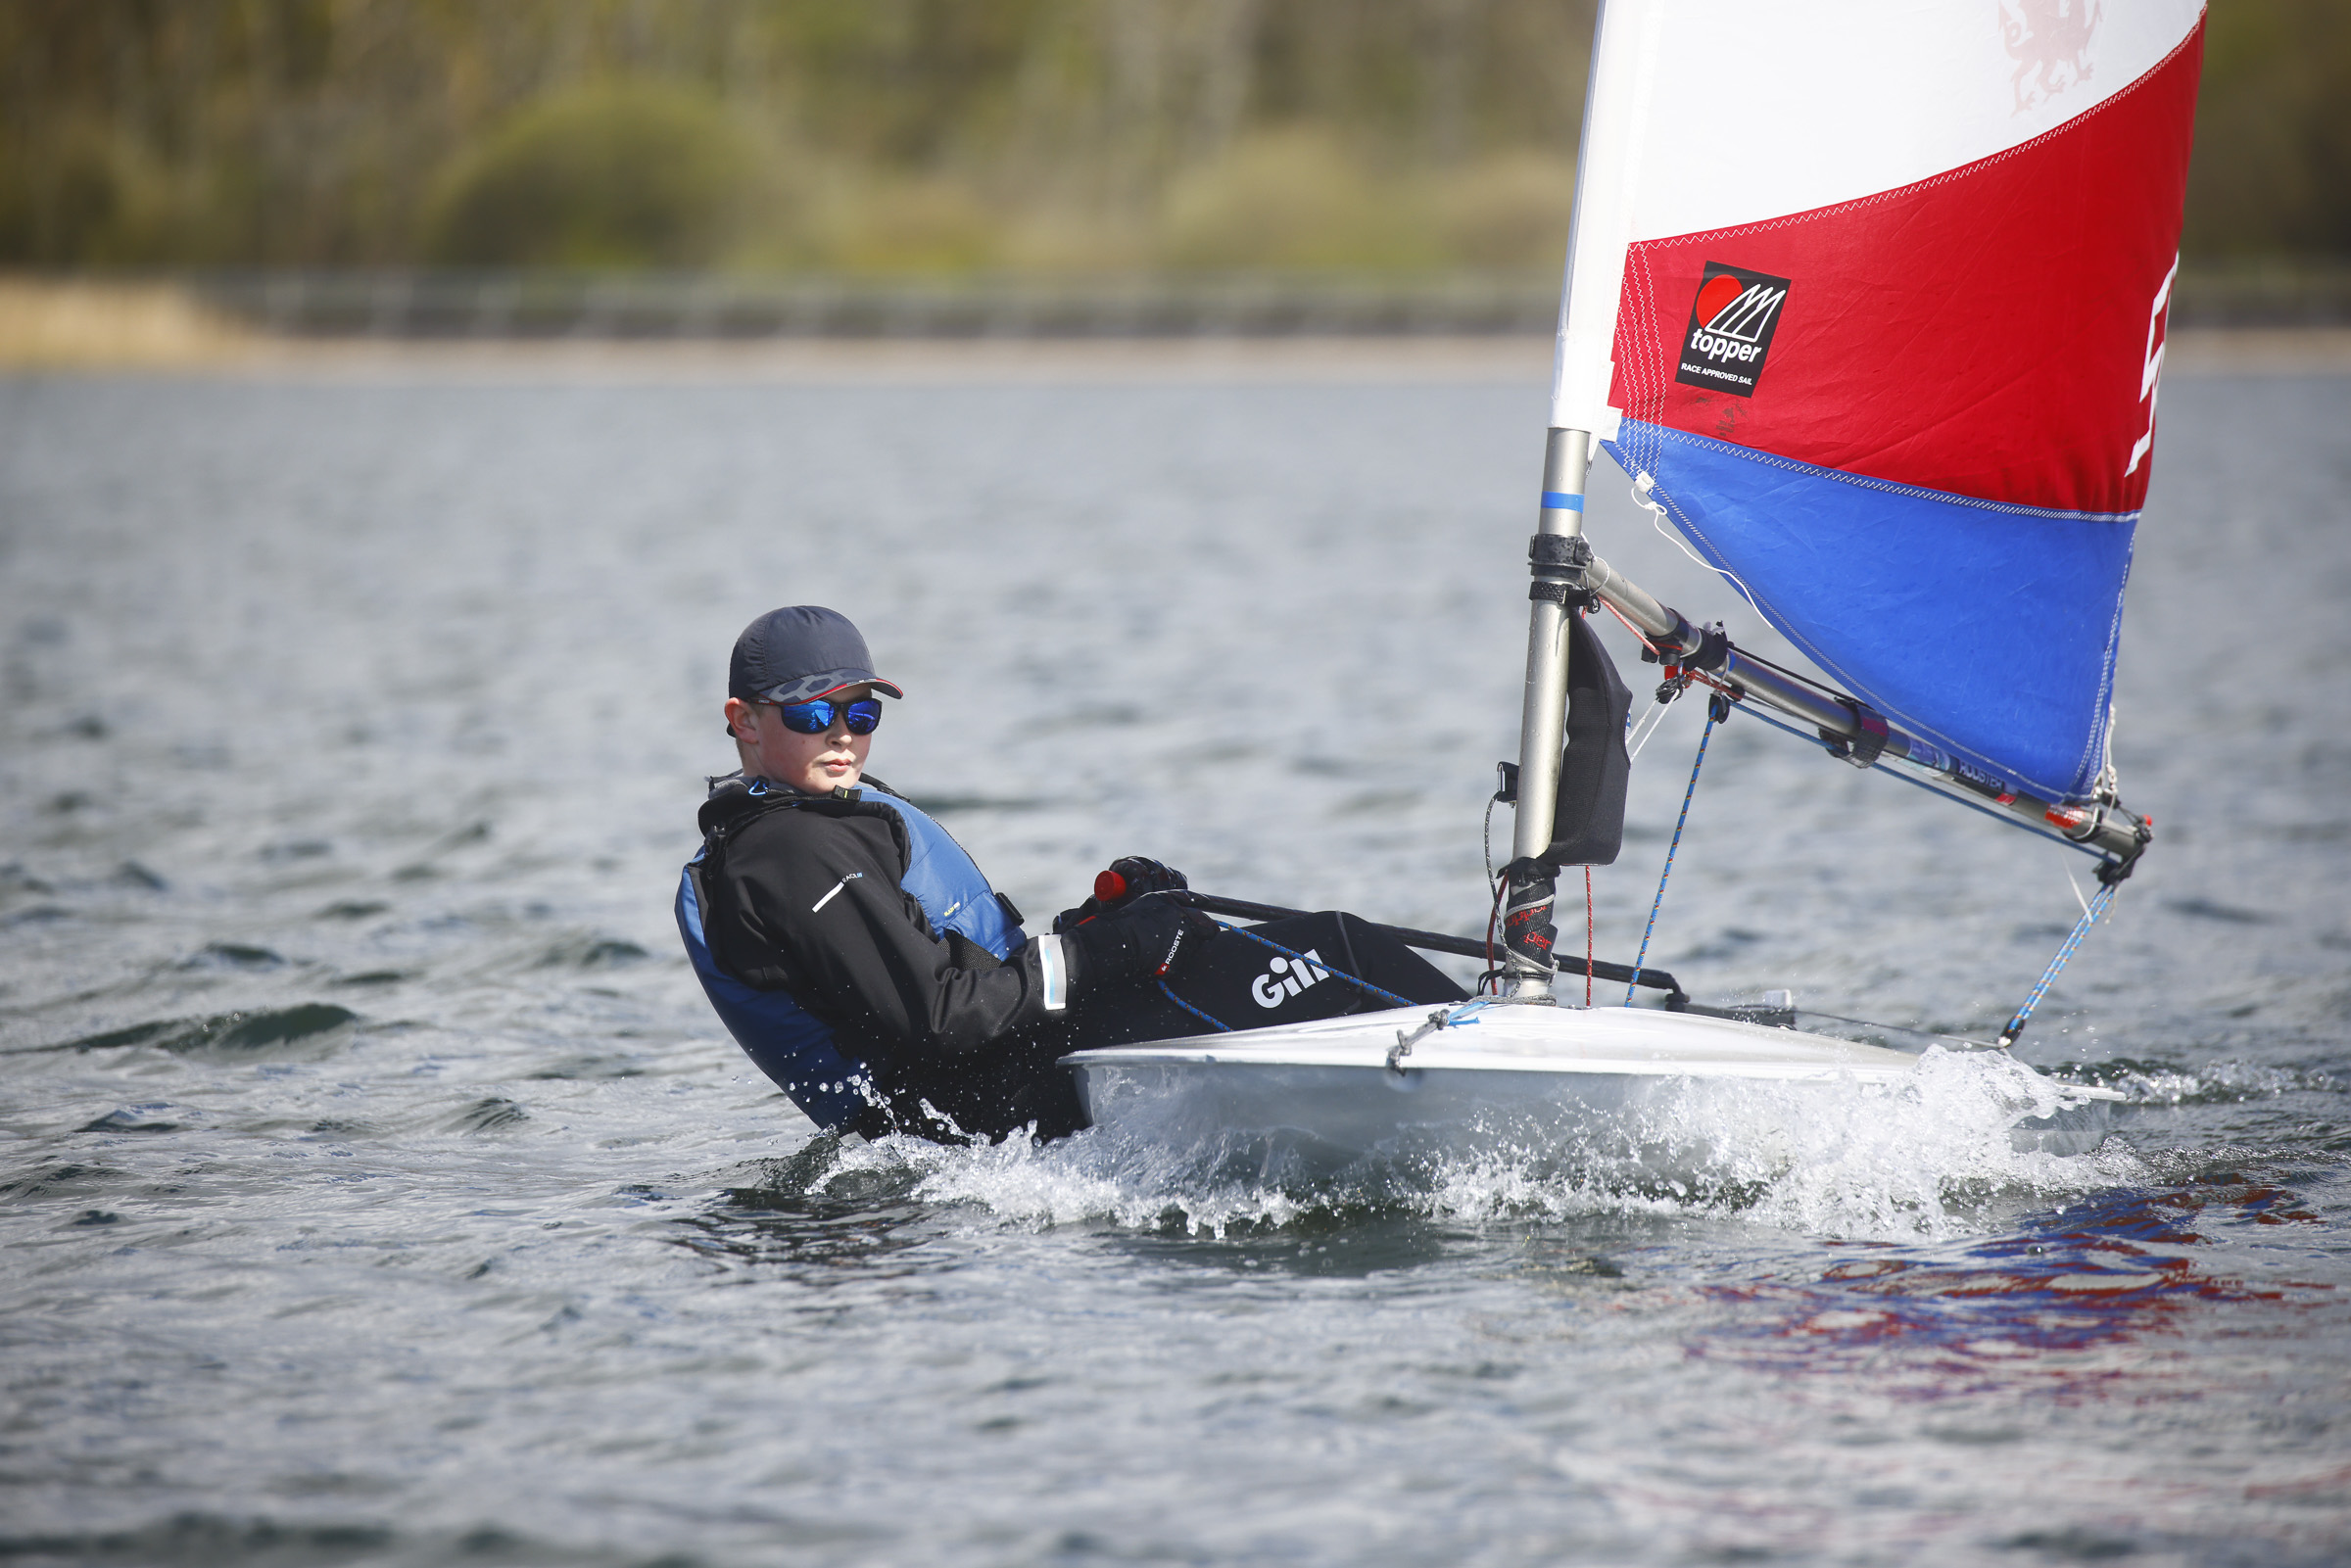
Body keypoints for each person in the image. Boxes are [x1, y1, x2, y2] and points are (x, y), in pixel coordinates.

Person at [675, 605, 1220, 1144]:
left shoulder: (816, 826)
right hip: (991, 1118)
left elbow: (965, 969)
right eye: (814, 714)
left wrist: (1100, 922)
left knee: (1182, 935)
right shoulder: (791, 851)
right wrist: (1115, 946)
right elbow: (942, 1016)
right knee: (1226, 963)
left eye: (861, 714)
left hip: (1006, 1080)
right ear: (744, 720)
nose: (842, 735)